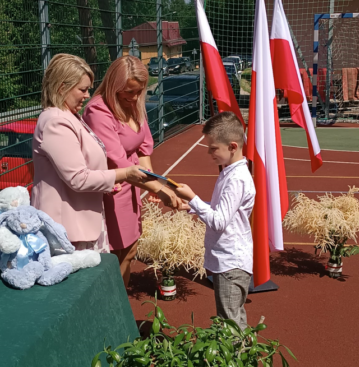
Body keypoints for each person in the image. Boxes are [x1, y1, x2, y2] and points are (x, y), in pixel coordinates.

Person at [31, 53, 149, 254]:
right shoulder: (56, 122)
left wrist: (105, 184)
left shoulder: (70, 116)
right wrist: (124, 174)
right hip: (67, 228)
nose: (87, 95)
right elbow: (78, 178)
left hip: (81, 221)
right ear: (62, 87)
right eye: (83, 89)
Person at [82, 56, 182, 287]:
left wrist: (158, 185)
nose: (135, 98)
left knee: (131, 249)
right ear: (114, 86)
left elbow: (143, 148)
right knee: (115, 254)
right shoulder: (98, 110)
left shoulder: (133, 106)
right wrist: (161, 189)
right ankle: (113, 307)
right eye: (129, 92)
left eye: (139, 92)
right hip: (112, 189)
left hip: (133, 187)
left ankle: (120, 300)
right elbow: (119, 162)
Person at [174, 112, 256, 330]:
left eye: (213, 148)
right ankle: (241, 359)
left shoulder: (236, 178)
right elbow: (222, 212)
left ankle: (236, 362)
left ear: (232, 146)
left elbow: (219, 222)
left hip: (231, 262)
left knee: (229, 324)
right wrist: (191, 207)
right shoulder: (231, 172)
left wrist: (193, 198)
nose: (210, 153)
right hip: (229, 260)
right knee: (232, 319)